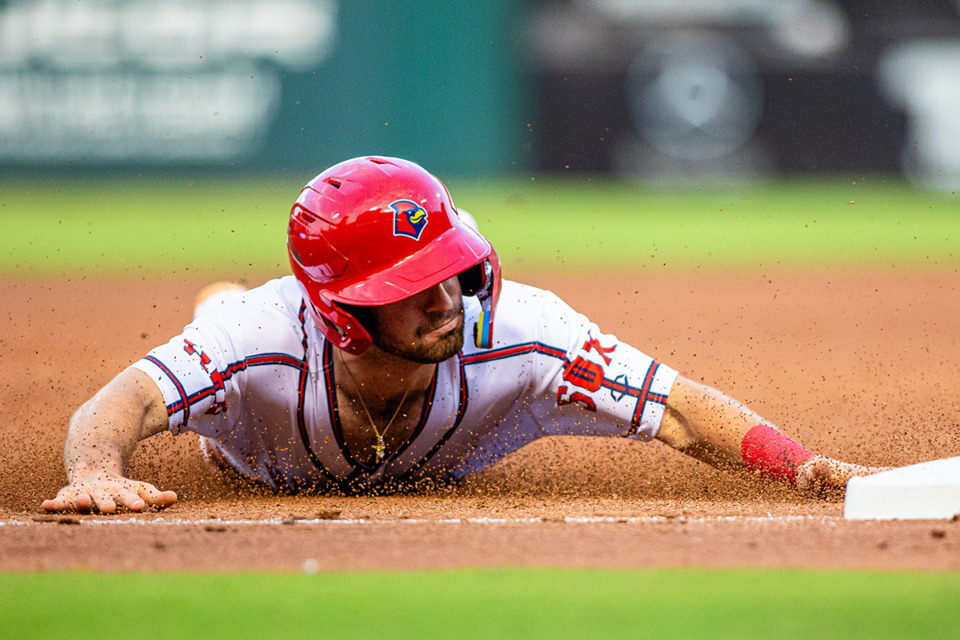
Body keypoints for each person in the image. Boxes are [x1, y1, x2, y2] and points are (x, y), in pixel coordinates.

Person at [42, 156, 886, 514]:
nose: (446, 297)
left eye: (452, 267)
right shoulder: (254, 341)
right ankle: (210, 298)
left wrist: (811, 470)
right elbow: (115, 406)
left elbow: (683, 412)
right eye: (411, 286)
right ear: (340, 314)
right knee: (216, 323)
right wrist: (92, 474)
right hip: (247, 442)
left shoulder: (522, 332)